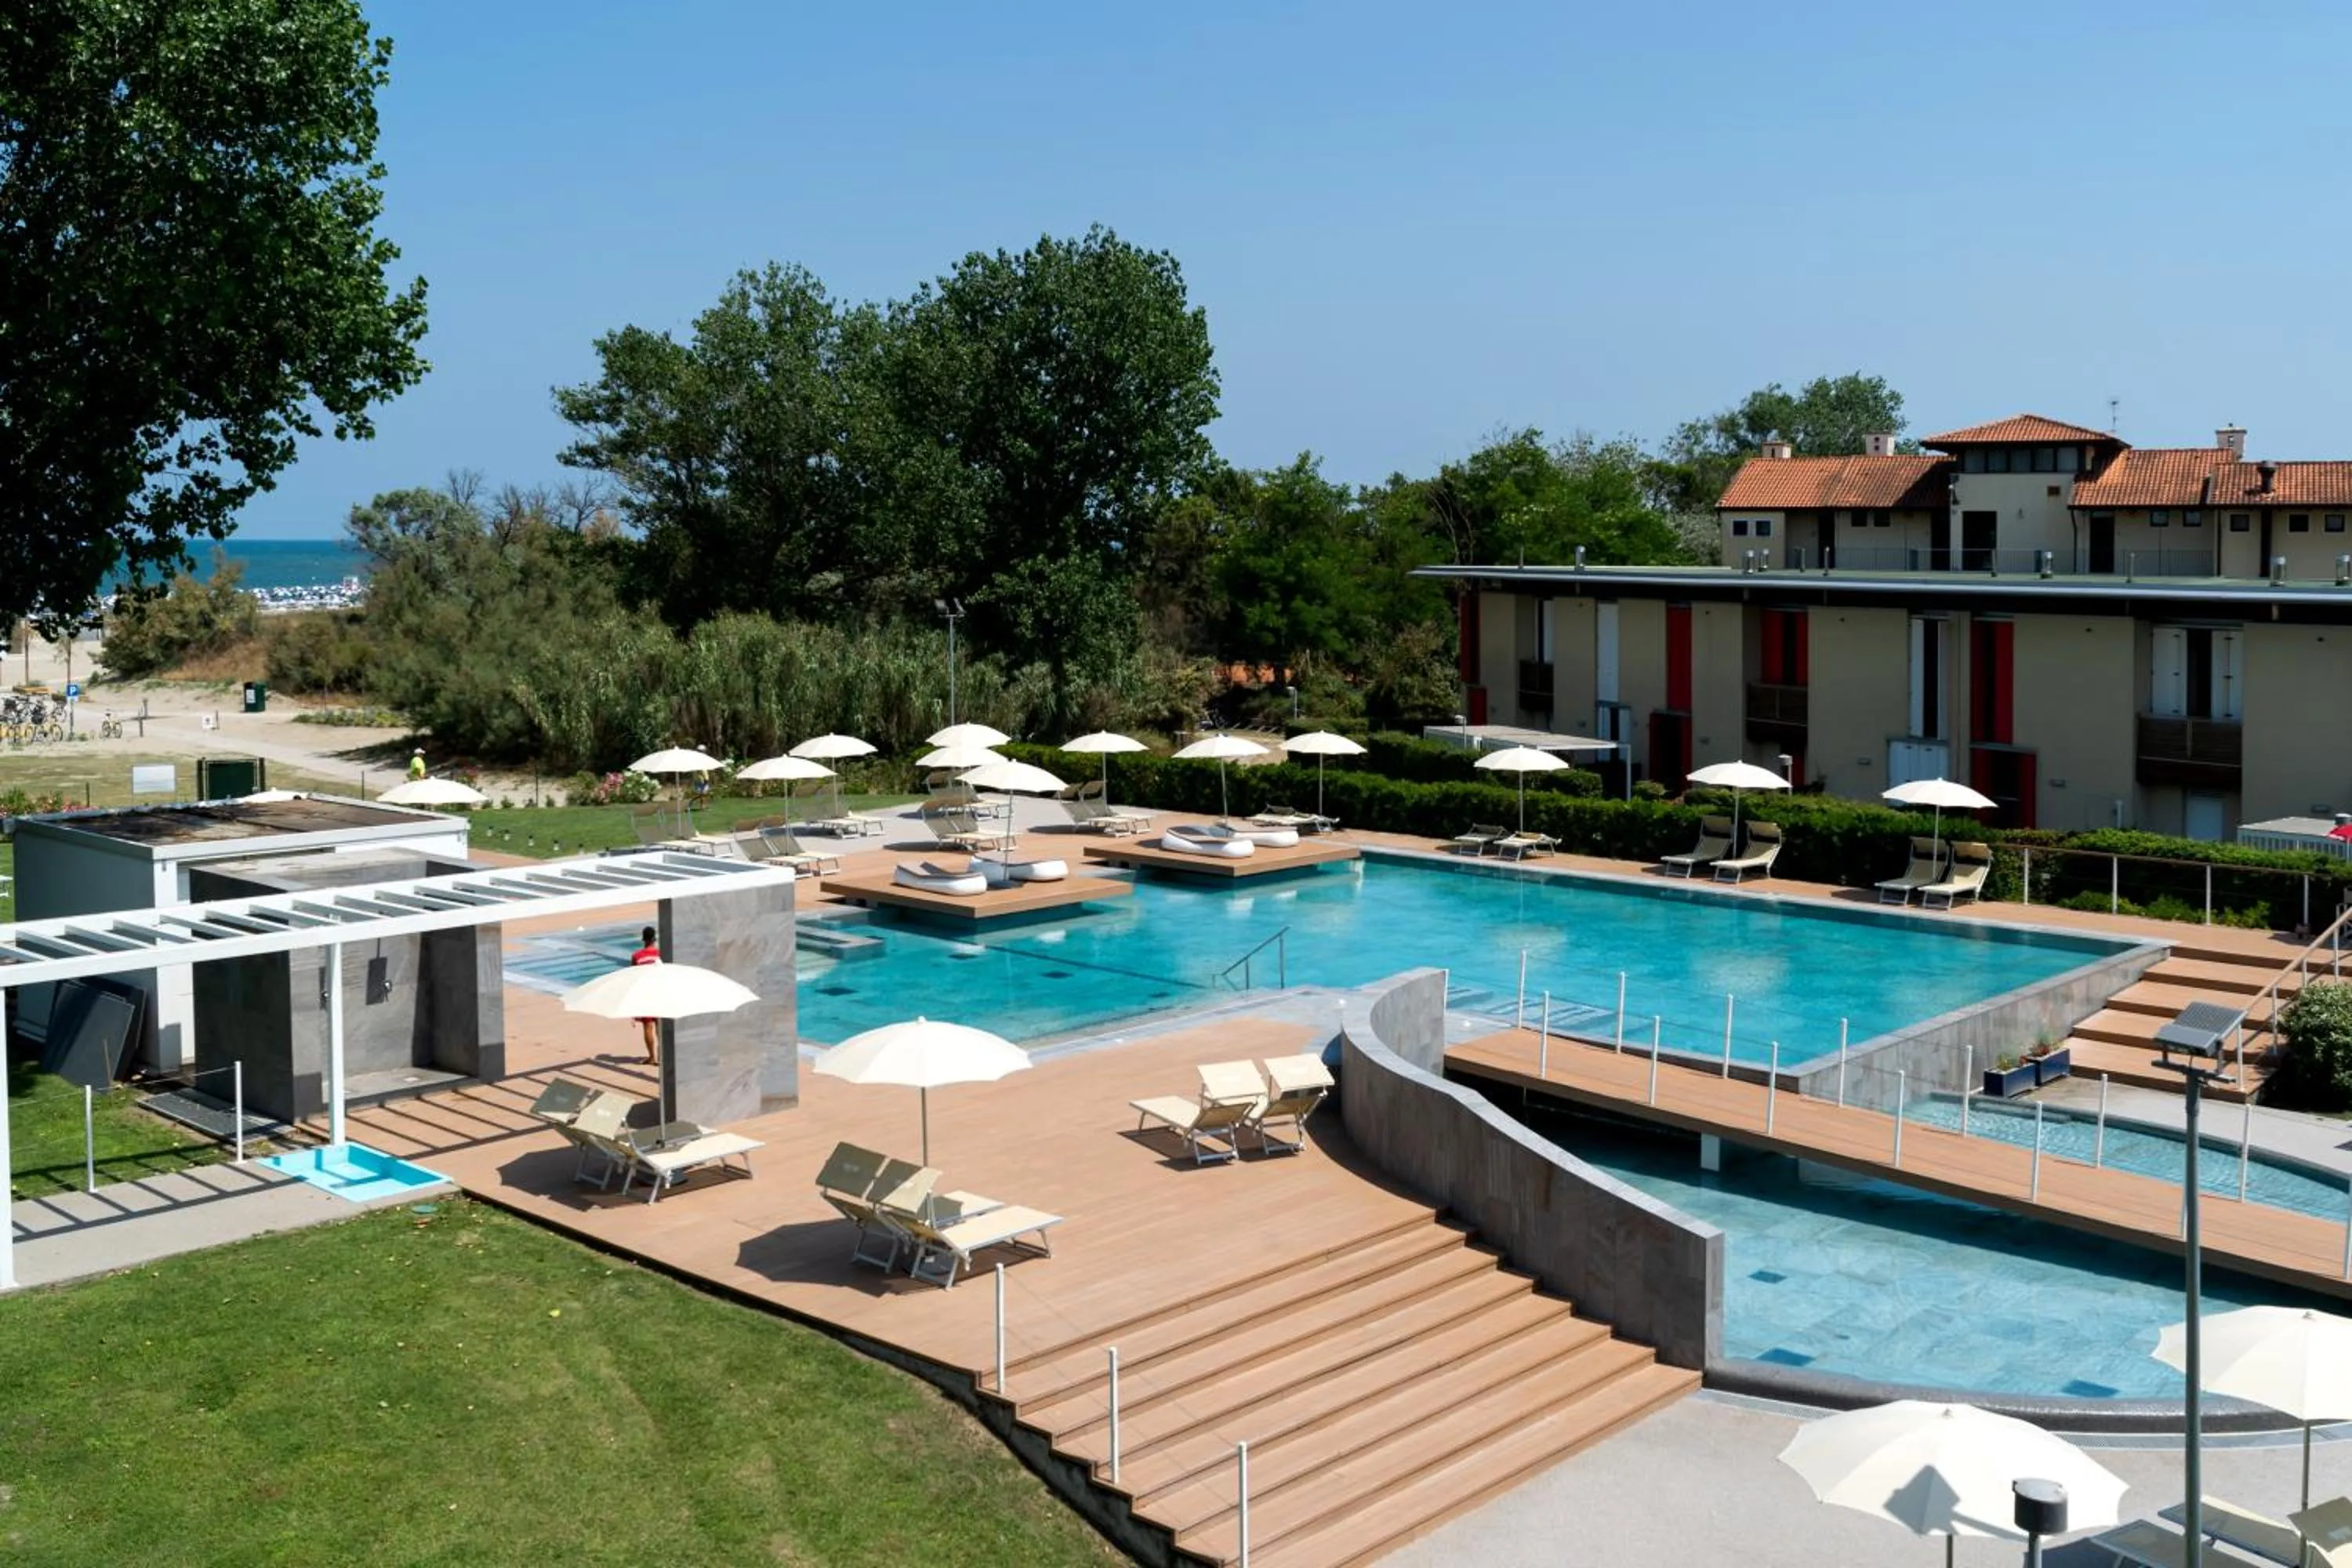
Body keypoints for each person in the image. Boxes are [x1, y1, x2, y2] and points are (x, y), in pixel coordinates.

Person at [630, 925, 661, 1065]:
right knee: (660, 1025)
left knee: (648, 1026)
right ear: (654, 938)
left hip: (645, 994)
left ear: (644, 939)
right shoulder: (660, 954)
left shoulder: (636, 956)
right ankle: (662, 1057)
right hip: (659, 992)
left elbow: (633, 977)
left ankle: (652, 1057)